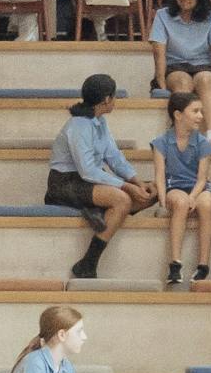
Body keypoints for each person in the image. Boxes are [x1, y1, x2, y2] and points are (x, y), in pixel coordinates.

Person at [45, 70, 155, 283]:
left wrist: (137, 182)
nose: (115, 101)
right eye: (114, 97)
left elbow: (114, 157)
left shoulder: (100, 122)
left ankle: (97, 209)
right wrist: (126, 187)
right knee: (122, 199)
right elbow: (87, 170)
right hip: (65, 183)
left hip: (89, 181)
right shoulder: (78, 125)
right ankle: (88, 263)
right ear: (106, 99)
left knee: (153, 191)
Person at [145, 0, 211, 135]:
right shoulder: (162, 15)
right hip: (175, 67)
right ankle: (182, 134)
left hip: (202, 66)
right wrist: (161, 82)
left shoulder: (210, 18)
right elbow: (158, 52)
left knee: (205, 80)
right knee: (182, 82)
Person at [153, 98, 211, 286]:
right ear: (178, 115)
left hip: (198, 188)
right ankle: (175, 264)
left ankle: (203, 264)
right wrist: (162, 200)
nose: (200, 116)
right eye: (195, 111)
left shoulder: (203, 143)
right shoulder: (161, 142)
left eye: (201, 111)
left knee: (206, 204)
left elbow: (201, 179)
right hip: (174, 187)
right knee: (180, 203)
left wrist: (193, 197)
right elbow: (159, 175)